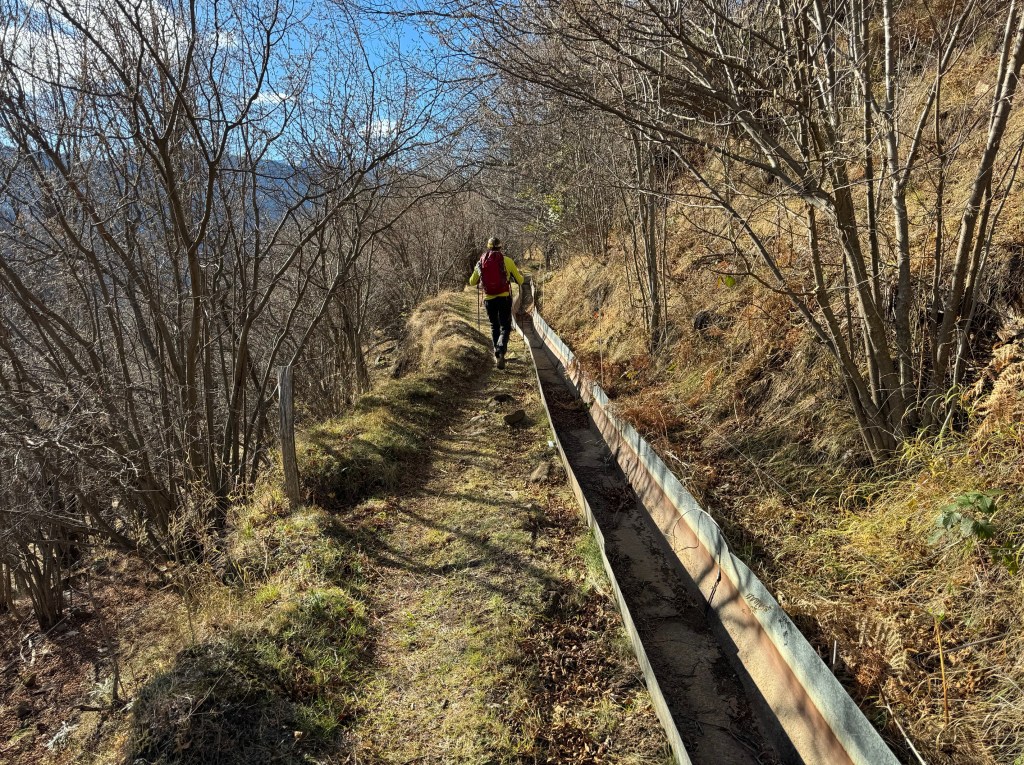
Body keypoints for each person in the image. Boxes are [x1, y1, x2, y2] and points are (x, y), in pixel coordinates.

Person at [469, 237, 525, 369]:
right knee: (505, 326)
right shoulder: (507, 261)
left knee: (494, 326)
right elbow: (520, 281)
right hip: (504, 298)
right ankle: (501, 349)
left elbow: (472, 282)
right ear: (500, 247)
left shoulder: (481, 261)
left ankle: (497, 354)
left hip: (489, 299)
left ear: (488, 247)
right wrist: (519, 275)